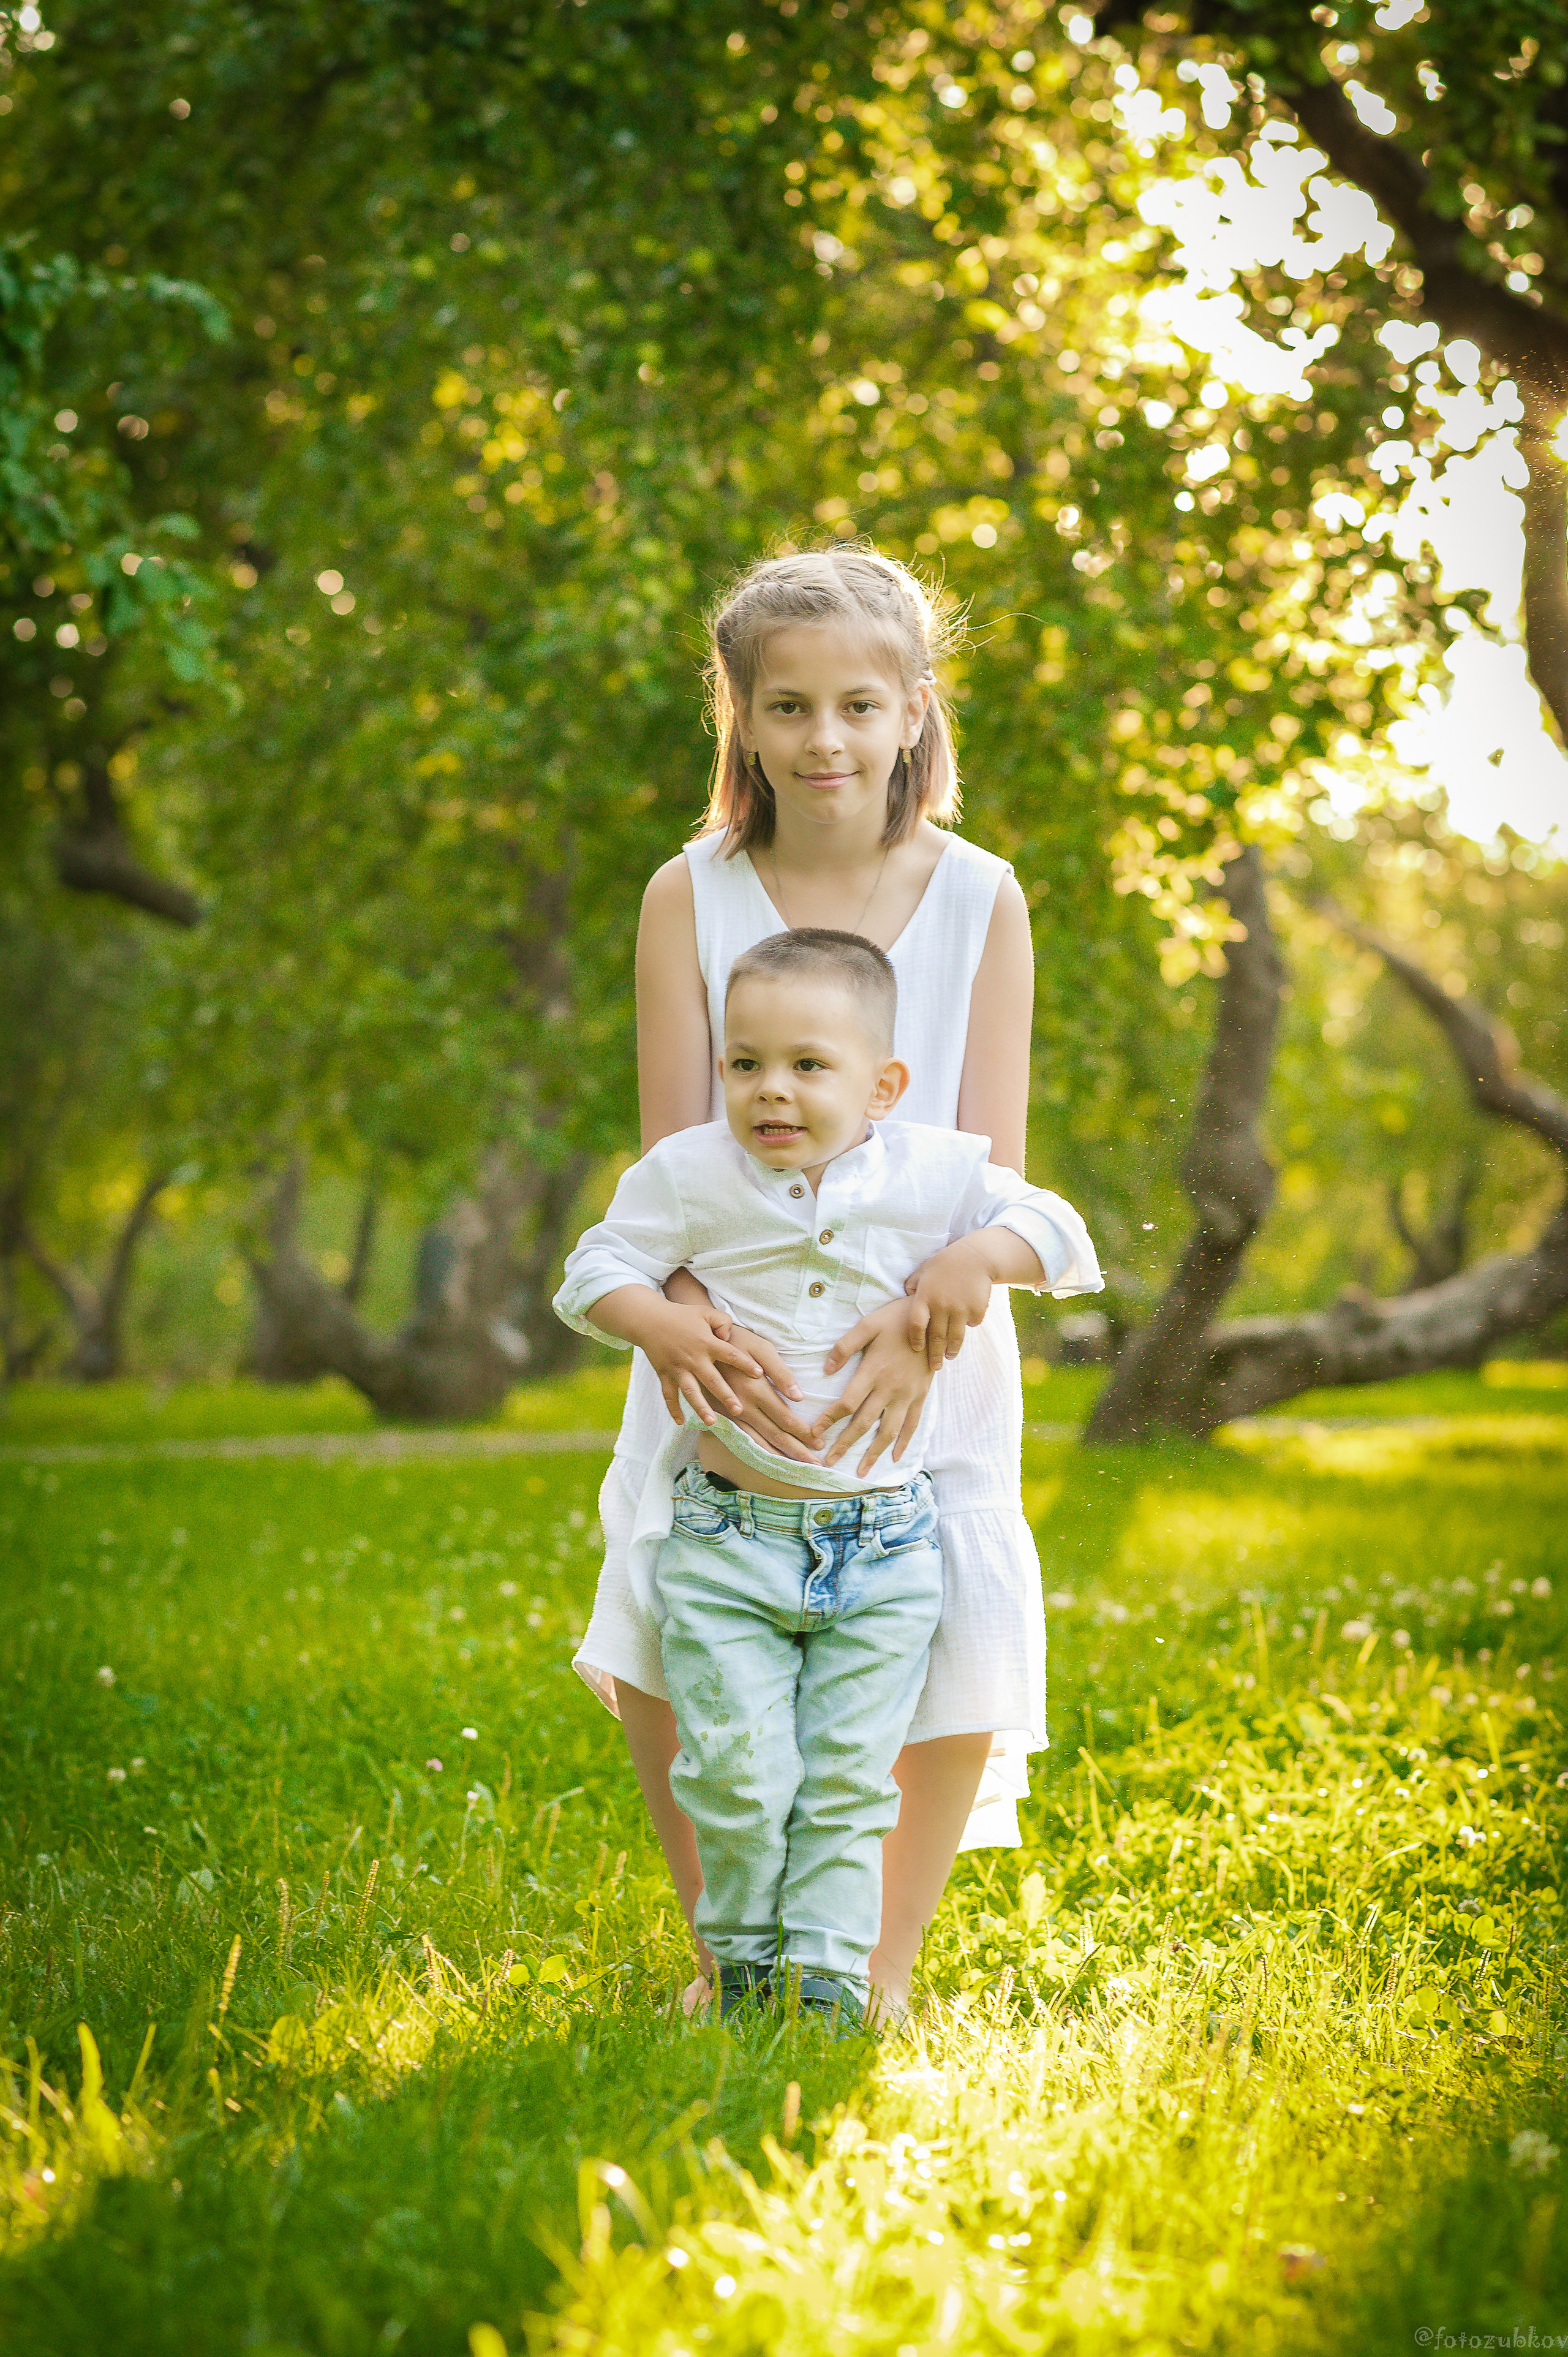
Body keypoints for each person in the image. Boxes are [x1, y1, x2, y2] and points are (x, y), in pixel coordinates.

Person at [574, 543, 1063, 2022]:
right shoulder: (691, 893)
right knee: (674, 1609)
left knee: (947, 1626)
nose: (826, 740)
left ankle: (877, 1970)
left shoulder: (979, 897)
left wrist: (931, 1323)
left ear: (915, 709)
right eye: (786, 708)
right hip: (715, 1326)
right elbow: (672, 1155)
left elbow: (997, 1165)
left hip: (919, 1334)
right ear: (739, 718)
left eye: (860, 704)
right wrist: (684, 1330)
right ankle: (729, 1963)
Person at [554, 930, 1100, 2028]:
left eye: (809, 1066)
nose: (771, 1091)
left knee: (854, 1781)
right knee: (736, 1774)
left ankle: (837, 1987)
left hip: (886, 1547)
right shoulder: (692, 1175)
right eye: (745, 1063)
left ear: (883, 1086)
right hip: (727, 1541)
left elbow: (1056, 1227)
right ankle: (740, 1976)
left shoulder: (939, 1175)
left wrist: (970, 1260)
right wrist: (658, 1323)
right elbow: (592, 1267)